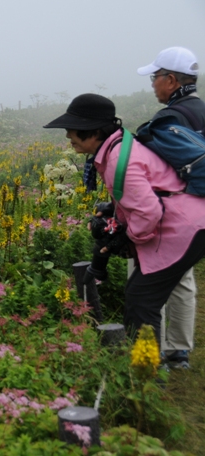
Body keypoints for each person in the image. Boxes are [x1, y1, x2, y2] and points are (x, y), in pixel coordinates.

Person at [43, 93, 205, 347]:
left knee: (142, 300)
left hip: (184, 227)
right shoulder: (118, 148)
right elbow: (147, 191)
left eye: (72, 129)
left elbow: (149, 211)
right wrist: (115, 211)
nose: (68, 136)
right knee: (141, 296)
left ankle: (145, 373)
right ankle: (146, 367)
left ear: (92, 131)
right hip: (187, 221)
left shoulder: (119, 158)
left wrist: (126, 238)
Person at [137, 46, 205, 369]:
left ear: (172, 80)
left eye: (156, 77)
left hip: (176, 213)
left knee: (151, 278)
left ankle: (152, 352)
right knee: (183, 278)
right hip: (200, 214)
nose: (152, 84)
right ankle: (179, 350)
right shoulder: (200, 109)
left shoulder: (170, 118)